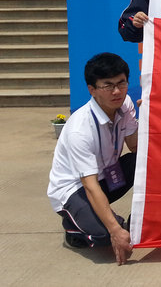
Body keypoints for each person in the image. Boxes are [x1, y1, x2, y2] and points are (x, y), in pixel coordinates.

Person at [47, 53, 138, 264]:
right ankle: (72, 227)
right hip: (75, 189)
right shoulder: (80, 129)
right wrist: (115, 229)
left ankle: (138, 215)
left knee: (144, 161)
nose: (117, 91)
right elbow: (89, 185)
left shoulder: (125, 105)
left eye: (121, 83)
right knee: (106, 235)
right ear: (92, 89)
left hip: (106, 176)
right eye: (108, 86)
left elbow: (135, 148)